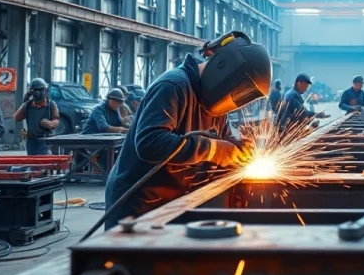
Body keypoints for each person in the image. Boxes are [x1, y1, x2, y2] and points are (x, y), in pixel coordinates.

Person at [103, 31, 270, 229]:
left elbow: (222, 142)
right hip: (138, 202)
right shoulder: (173, 85)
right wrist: (216, 150)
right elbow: (150, 143)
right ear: (223, 66)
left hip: (175, 202)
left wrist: (240, 151)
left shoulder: (216, 102)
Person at [13, 78, 59, 155]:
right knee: (32, 163)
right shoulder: (28, 105)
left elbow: (56, 119)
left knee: (44, 162)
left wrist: (51, 124)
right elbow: (17, 118)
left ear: (45, 91)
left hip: (45, 139)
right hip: (32, 140)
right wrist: (25, 102)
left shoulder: (51, 105)